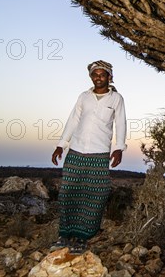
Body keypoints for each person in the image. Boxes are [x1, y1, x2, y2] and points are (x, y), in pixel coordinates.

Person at [50, 60, 127, 254]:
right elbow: (73, 120)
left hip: (99, 153)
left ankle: (82, 238)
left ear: (109, 77)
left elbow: (121, 123)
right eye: (95, 74)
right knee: (68, 192)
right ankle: (64, 235)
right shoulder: (84, 97)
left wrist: (118, 148)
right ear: (91, 76)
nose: (98, 77)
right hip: (75, 151)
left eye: (102, 74)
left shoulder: (116, 99)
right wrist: (61, 145)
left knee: (95, 195)